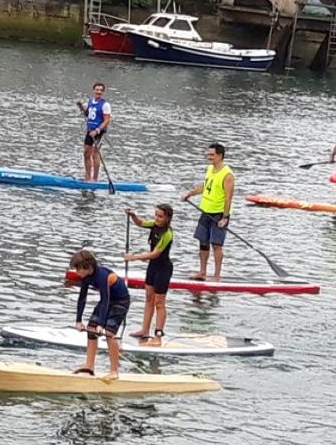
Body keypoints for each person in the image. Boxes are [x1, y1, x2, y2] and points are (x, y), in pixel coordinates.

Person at [68, 249, 130, 380]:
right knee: (91, 329)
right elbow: (82, 298)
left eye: (78, 269)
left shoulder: (102, 275)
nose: (77, 272)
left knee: (109, 333)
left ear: (88, 267)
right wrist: (78, 320)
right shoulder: (86, 277)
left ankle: (114, 371)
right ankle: (89, 366)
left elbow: (106, 299)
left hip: (120, 301)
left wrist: (101, 325)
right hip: (106, 302)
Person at [181, 143, 234, 281]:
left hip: (218, 214)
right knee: (203, 242)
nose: (209, 157)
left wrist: (225, 217)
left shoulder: (227, 174)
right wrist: (190, 193)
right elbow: (205, 187)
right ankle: (202, 272)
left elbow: (229, 197)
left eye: (212, 155)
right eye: (208, 154)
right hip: (205, 210)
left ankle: (217, 275)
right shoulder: (210, 169)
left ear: (220, 156)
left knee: (216, 244)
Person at [123, 204, 175, 343]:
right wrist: (133, 215)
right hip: (152, 268)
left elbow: (154, 254)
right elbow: (140, 223)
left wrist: (134, 257)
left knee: (159, 303)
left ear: (167, 218)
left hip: (163, 269)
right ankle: (144, 330)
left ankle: (158, 335)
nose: (157, 218)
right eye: (156, 215)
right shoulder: (153, 225)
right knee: (148, 299)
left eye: (160, 216)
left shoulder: (167, 234)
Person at [77, 83, 112, 183]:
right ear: (93, 91)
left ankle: (95, 178)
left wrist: (97, 130)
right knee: (86, 154)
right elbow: (88, 114)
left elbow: (107, 120)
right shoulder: (90, 102)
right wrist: (81, 108)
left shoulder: (105, 105)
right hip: (90, 130)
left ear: (103, 92)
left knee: (95, 154)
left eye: (101, 90)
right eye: (97, 90)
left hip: (98, 131)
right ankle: (87, 177)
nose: (99, 92)